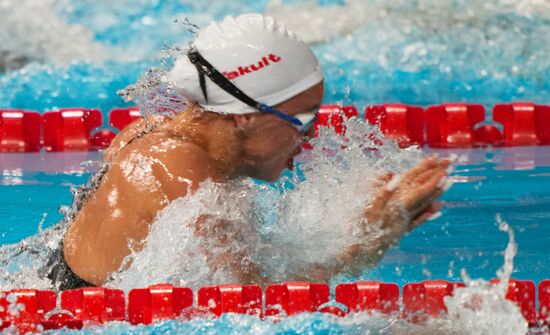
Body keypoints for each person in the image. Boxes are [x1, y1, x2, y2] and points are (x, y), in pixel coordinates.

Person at [45, 13, 450, 290]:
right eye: (302, 122)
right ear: (244, 116)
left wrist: (353, 227)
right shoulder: (181, 169)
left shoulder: (150, 134)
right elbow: (256, 307)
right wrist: (367, 246)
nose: (308, 141)